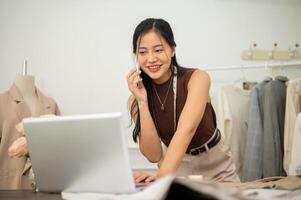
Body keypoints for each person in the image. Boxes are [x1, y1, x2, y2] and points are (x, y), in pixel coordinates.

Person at [126, 18, 240, 183]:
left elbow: (185, 131)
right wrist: (142, 102)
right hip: (176, 167)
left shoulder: (197, 78)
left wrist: (161, 177)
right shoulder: (136, 99)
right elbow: (154, 155)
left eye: (158, 50)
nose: (150, 59)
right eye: (143, 52)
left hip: (215, 163)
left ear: (172, 50)